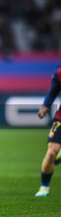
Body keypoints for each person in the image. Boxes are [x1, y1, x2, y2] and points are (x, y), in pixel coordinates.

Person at [35, 66, 61, 197]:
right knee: (51, 152)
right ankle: (44, 187)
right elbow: (53, 92)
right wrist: (45, 106)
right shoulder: (59, 72)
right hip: (60, 118)